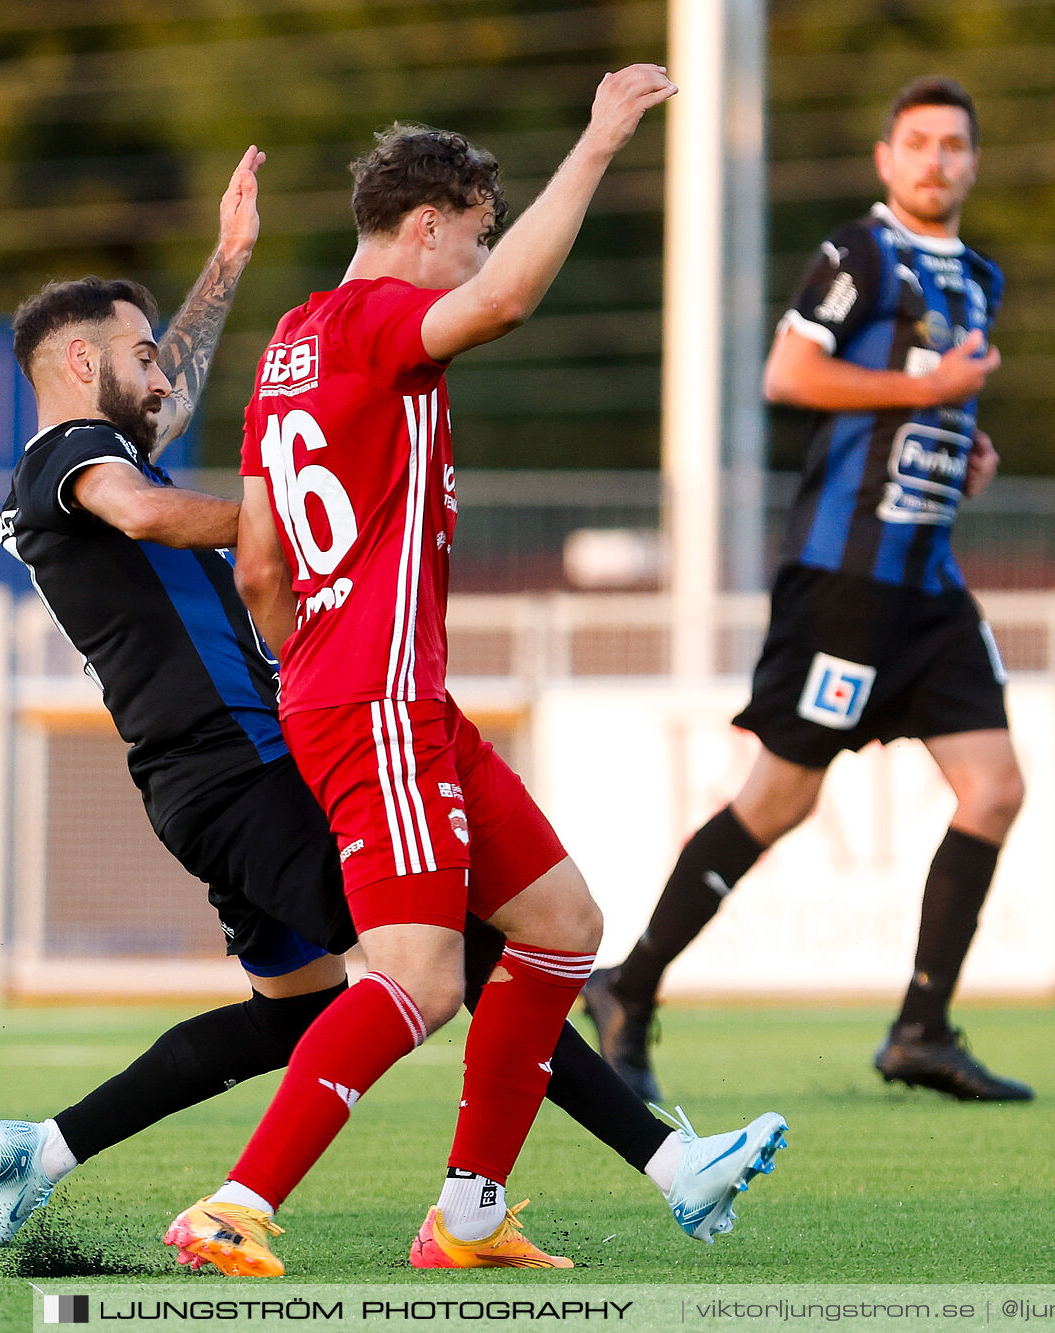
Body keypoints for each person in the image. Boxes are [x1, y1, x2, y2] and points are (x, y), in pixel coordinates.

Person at [0, 146, 786, 1258]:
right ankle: (644, 1164)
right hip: (243, 765)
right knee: (456, 954)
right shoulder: (70, 456)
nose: (164, 379)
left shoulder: (106, 431)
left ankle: (43, 1148)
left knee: (305, 1013)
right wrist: (300, 527)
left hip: (217, 769)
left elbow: (171, 409)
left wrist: (225, 262)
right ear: (75, 360)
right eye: (140, 358)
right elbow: (147, 513)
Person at [166, 64, 780, 1279]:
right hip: (378, 700)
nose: (479, 256)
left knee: (561, 928)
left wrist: (310, 658)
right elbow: (499, 306)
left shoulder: (289, 343)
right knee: (416, 974)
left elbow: (257, 561)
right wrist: (599, 141)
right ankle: (236, 1202)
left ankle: (471, 1213)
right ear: (426, 226)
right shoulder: (378, 321)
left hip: (383, 697)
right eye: (474, 233)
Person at [584, 75, 1034, 1105]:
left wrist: (965, 443)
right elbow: (790, 374)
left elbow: (921, 404)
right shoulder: (860, 252)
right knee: (780, 798)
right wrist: (925, 394)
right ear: (886, 159)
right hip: (845, 583)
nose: (935, 160)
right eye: (916, 142)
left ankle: (920, 1029)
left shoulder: (978, 277)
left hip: (929, 585)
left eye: (953, 145)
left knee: (996, 787)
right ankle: (630, 983)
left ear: (973, 160)